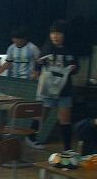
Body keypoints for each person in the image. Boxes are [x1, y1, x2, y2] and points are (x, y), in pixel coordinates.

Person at [29, 20, 79, 151]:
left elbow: (76, 68)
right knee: (41, 115)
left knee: (65, 120)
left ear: (65, 35)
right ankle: (31, 137)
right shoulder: (47, 48)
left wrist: (74, 68)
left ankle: (67, 150)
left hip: (65, 89)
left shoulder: (71, 49)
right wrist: (37, 69)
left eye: (58, 33)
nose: (55, 36)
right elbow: (37, 66)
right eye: (52, 33)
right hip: (48, 88)